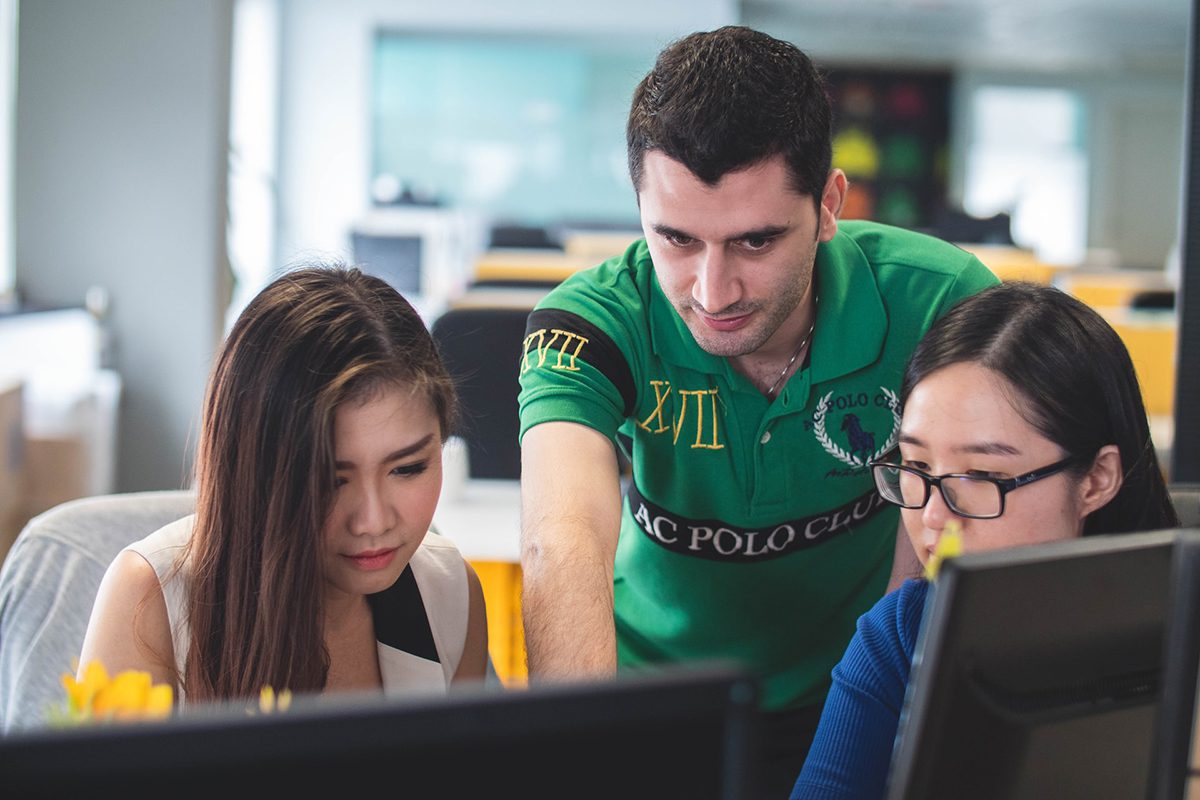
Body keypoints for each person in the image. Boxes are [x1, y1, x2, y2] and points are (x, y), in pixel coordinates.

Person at [515, 24, 999, 794]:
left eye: (754, 242)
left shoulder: (943, 302)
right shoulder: (588, 322)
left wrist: (881, 732)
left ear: (830, 204)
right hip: (645, 701)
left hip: (851, 691)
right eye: (675, 238)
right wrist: (581, 758)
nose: (712, 292)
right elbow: (559, 542)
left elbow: (936, 545)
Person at [789, 281, 1180, 800]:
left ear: (1097, 479)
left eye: (982, 476)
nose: (932, 516)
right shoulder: (902, 631)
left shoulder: (1177, 626)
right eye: (917, 465)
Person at [77, 265, 489, 707]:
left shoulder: (449, 595)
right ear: (255, 472)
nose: (373, 520)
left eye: (407, 468)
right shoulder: (152, 601)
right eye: (330, 480)